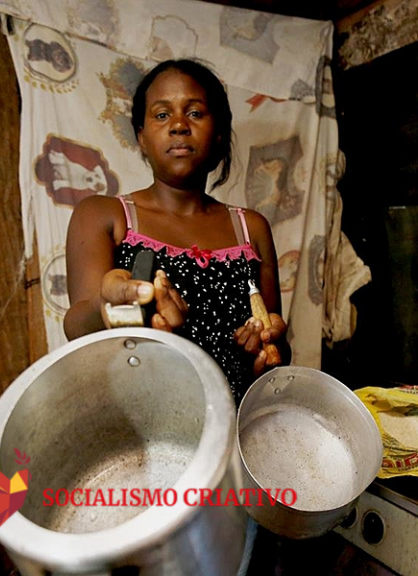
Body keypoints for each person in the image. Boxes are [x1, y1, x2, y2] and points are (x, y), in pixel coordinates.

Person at [63, 58, 289, 404]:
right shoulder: (105, 216)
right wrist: (110, 303)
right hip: (143, 426)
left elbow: (275, 345)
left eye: (195, 113)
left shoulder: (250, 228)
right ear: (141, 135)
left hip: (235, 427)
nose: (179, 125)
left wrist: (264, 348)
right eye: (162, 114)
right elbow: (77, 329)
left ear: (217, 134)